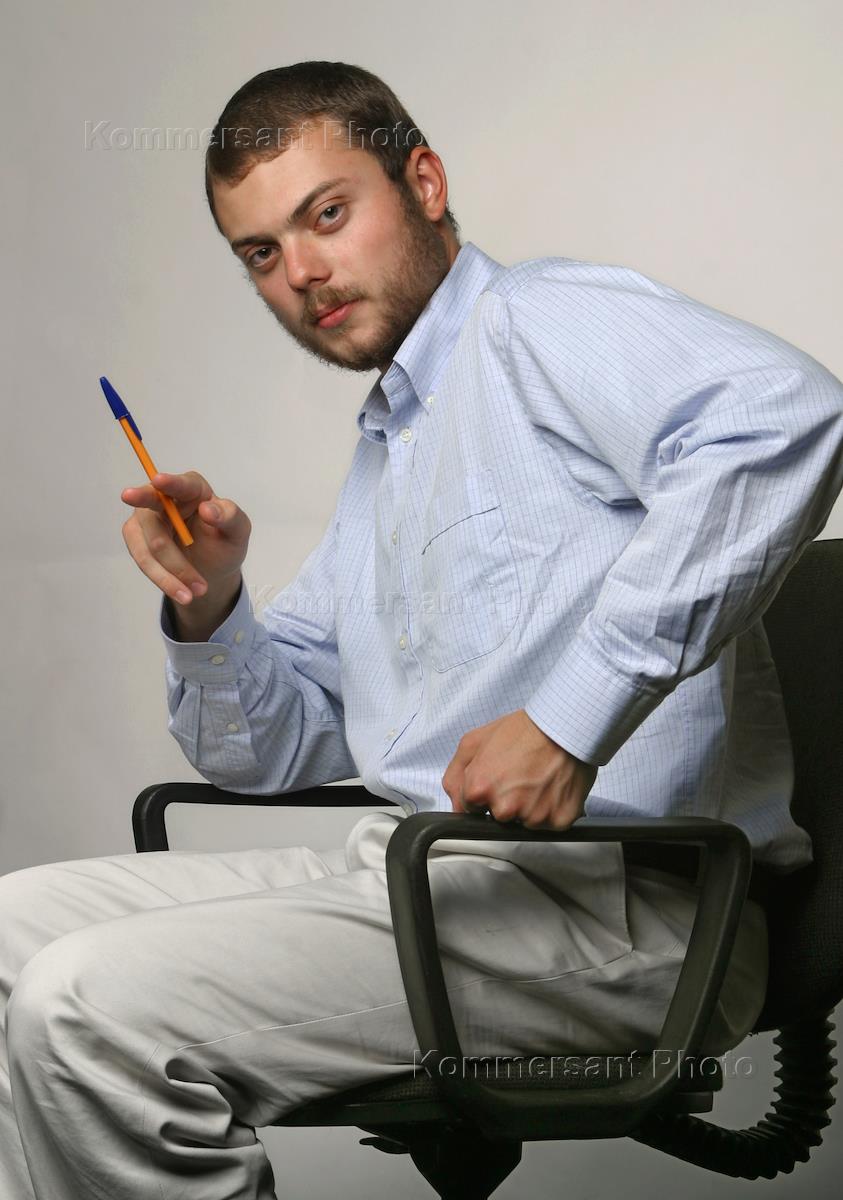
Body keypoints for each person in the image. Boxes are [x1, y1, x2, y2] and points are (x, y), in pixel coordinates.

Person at [2, 60, 843, 1200]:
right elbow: (273, 750)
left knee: (84, 1005)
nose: (301, 273)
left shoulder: (533, 323)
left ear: (425, 183)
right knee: (9, 932)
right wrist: (211, 606)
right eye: (261, 253)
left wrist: (570, 720)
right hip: (429, 879)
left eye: (326, 215)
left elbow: (784, 417)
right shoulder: (390, 448)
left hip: (622, 916)